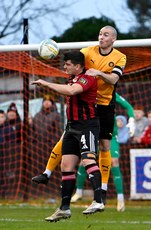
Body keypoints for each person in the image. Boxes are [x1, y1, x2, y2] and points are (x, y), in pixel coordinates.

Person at [32, 25, 127, 205]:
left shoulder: (120, 57)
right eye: (100, 33)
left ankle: (103, 189)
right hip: (85, 102)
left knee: (105, 145)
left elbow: (114, 79)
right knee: (68, 136)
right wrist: (55, 51)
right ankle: (47, 173)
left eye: (105, 35)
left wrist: (98, 73)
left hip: (105, 105)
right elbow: (74, 62)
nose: (101, 37)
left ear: (113, 39)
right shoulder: (87, 51)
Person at [32, 51, 104, 221]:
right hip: (71, 128)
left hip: (87, 126)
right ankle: (64, 208)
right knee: (66, 165)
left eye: (68, 64)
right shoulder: (72, 78)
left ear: (78, 66)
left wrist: (46, 84)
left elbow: (72, 91)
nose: (65, 67)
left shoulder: (87, 78)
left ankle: (98, 200)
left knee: (88, 160)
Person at [71, 93, 135, 212]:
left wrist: (131, 119)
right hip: (94, 133)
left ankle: (120, 198)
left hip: (111, 136)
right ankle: (78, 192)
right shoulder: (88, 91)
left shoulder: (110, 92)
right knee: (84, 161)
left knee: (114, 162)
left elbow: (128, 106)